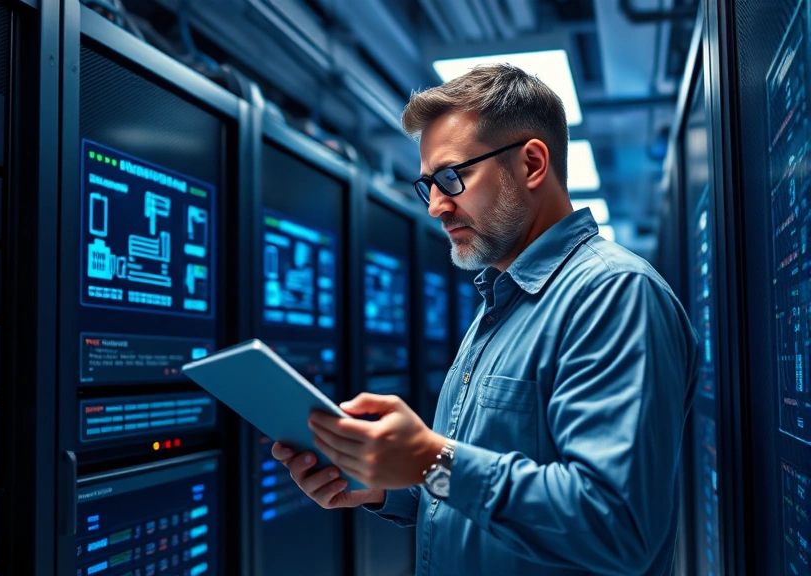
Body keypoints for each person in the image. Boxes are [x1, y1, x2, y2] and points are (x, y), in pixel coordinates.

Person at [271, 63, 698, 576]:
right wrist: (392, 483)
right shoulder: (501, 302)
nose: (436, 207)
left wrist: (431, 459)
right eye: (427, 185)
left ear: (532, 164)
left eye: (452, 177)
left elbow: (617, 527)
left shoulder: (614, 294)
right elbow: (477, 489)